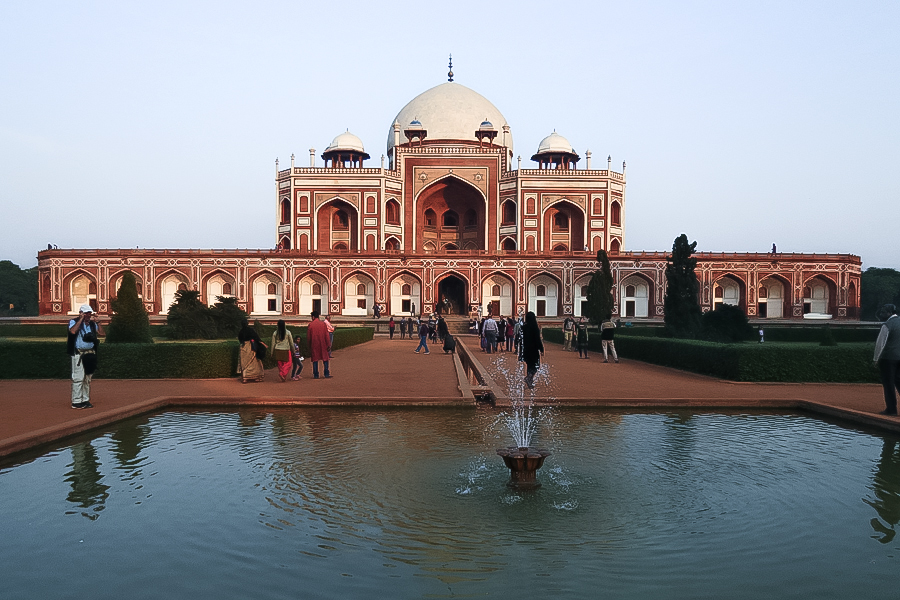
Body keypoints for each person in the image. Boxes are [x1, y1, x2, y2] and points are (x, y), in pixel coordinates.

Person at [67, 304, 104, 409]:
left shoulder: (92, 324)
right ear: (81, 313)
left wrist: (98, 322)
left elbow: (102, 334)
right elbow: (73, 331)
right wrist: (81, 319)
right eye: (86, 313)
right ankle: (76, 401)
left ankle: (85, 399)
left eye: (89, 313)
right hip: (78, 353)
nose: (88, 315)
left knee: (87, 378)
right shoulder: (74, 322)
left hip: (90, 353)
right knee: (78, 378)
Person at [874, 304, 900, 416]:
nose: (882, 315)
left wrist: (876, 358)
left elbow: (880, 344)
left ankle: (891, 409)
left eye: (883, 313)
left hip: (888, 358)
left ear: (889, 313)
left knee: (889, 383)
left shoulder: (887, 324)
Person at [521, 311, 544, 389]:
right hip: (534, 350)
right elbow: (537, 339)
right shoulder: (535, 327)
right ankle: (529, 378)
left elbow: (521, 339)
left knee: (529, 365)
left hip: (526, 349)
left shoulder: (524, 327)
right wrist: (541, 349)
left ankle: (530, 382)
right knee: (536, 366)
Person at [237, 319, 265, 383]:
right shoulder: (250, 330)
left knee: (244, 363)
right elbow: (256, 337)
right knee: (254, 362)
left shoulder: (241, 331)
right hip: (250, 347)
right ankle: (256, 377)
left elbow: (240, 339)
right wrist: (262, 343)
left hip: (243, 347)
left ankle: (245, 378)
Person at [307, 311, 332, 378]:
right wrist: (328, 344)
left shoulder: (311, 325)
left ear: (313, 317)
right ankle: (326, 373)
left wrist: (309, 345)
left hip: (314, 344)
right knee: (325, 358)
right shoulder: (323, 324)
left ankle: (316, 375)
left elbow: (309, 337)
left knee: (315, 359)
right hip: (323, 343)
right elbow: (327, 335)